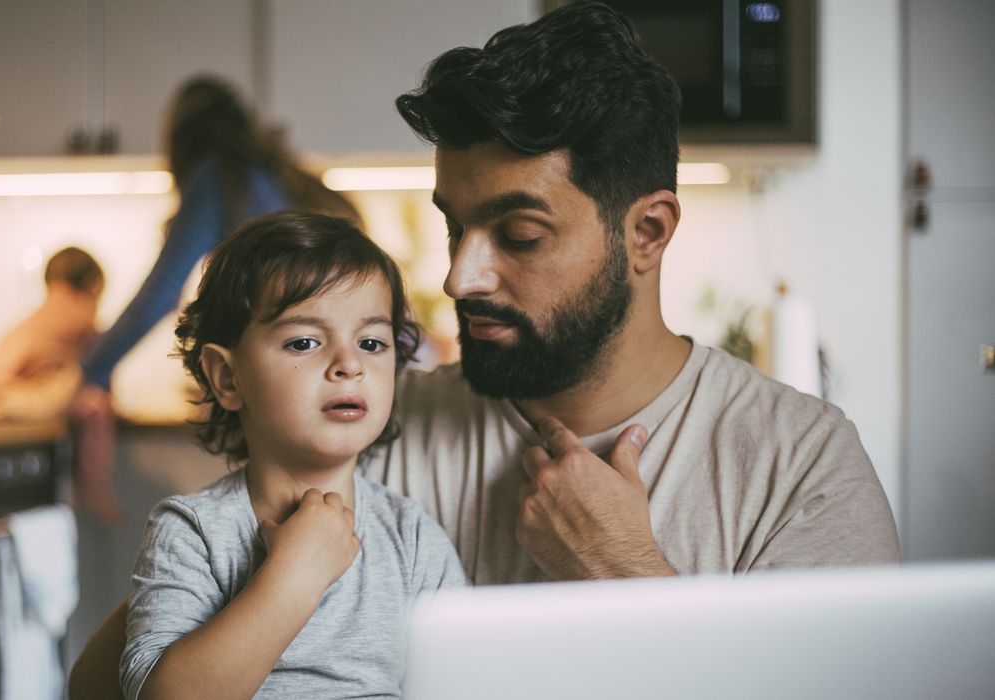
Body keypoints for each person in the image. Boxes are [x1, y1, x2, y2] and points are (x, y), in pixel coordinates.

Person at [67, 2, 899, 693]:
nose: (461, 274)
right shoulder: (366, 424)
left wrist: (629, 577)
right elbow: (108, 687)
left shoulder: (800, 467)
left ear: (646, 233)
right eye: (453, 225)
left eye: (518, 233)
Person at [120, 211, 465, 700]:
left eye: (371, 343)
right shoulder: (192, 531)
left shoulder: (411, 538)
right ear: (226, 378)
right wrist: (295, 576)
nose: (349, 365)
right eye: (304, 342)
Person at [69, 75, 361, 524]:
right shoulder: (276, 174)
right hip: (344, 375)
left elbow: (160, 295)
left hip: (297, 372)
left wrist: (92, 371)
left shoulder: (218, 174)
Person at [0, 246, 103, 422]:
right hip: (14, 409)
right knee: (96, 403)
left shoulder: (30, 323)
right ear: (93, 287)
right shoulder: (81, 320)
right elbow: (101, 377)